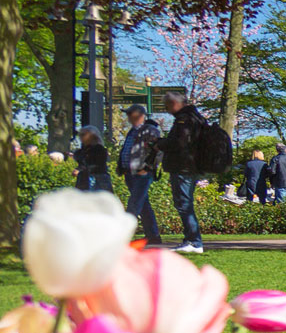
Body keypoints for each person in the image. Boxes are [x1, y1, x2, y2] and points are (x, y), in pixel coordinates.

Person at [155, 90, 206, 253]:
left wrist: (160, 143)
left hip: (183, 167)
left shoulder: (185, 120)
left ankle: (194, 241)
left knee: (184, 203)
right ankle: (190, 239)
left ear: (175, 104)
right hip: (192, 166)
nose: (166, 109)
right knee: (185, 202)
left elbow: (180, 143)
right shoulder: (196, 118)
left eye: (167, 105)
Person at [119, 105, 164, 245]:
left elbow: (158, 151)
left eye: (130, 113)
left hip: (142, 173)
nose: (128, 117)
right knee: (143, 205)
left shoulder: (150, 131)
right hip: (130, 173)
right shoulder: (133, 131)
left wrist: (149, 167)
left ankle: (122, 236)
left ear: (139, 115)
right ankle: (153, 235)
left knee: (134, 204)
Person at [73, 125, 111, 193]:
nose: (80, 137)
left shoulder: (99, 149)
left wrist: (80, 170)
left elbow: (96, 165)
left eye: (83, 134)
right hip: (85, 179)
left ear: (92, 136)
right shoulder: (83, 150)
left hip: (97, 179)